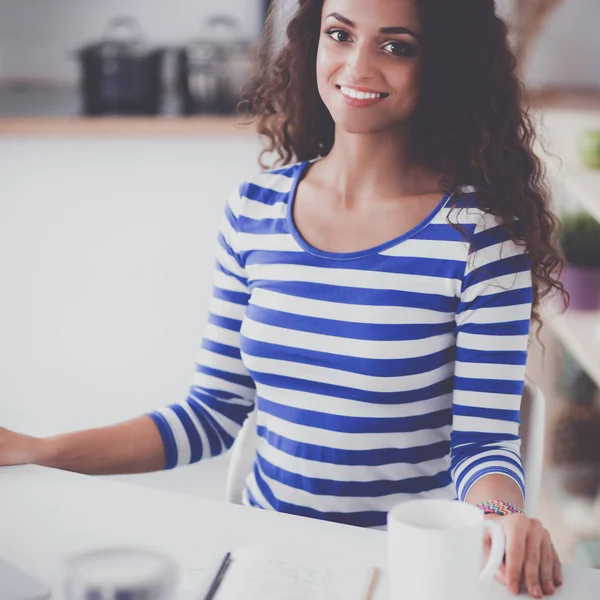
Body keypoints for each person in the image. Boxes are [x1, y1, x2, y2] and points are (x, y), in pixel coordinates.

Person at [0, 0, 567, 597]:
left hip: (400, 571)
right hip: (265, 562)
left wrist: (505, 522)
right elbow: (211, 414)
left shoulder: (481, 239)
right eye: (339, 34)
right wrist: (42, 449)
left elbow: (481, 442)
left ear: (444, 65)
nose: (358, 64)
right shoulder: (254, 212)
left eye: (397, 46)